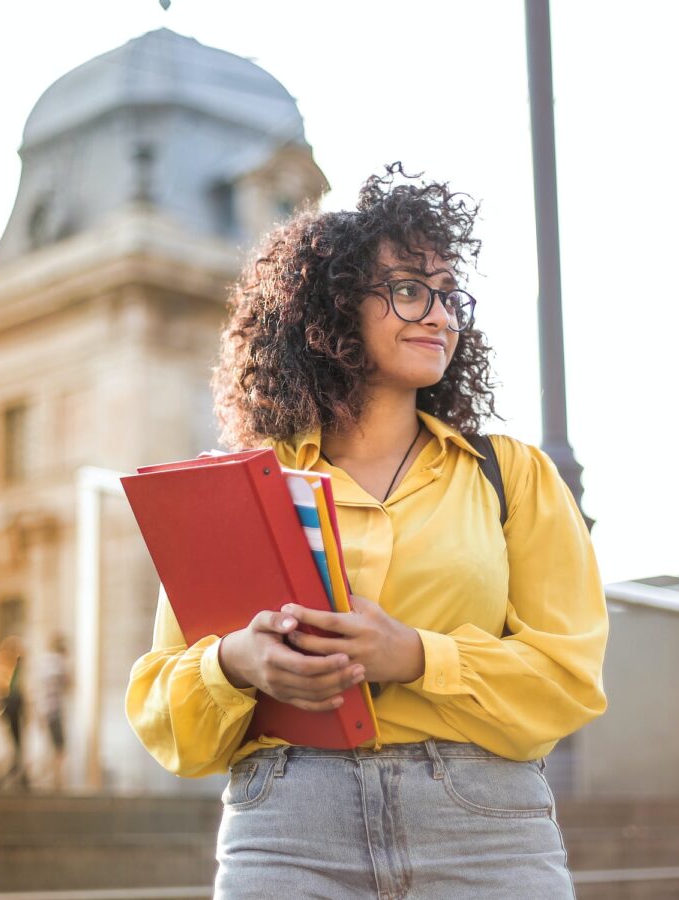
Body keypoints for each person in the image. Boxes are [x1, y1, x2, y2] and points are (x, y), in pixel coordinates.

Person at [126, 164, 608, 899]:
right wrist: (234, 664)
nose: (441, 314)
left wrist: (416, 655)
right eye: (410, 289)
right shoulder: (243, 487)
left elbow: (569, 679)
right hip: (287, 825)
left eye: (450, 296)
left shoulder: (512, 475)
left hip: (483, 825)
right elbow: (166, 711)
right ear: (331, 308)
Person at [0, 635, 29, 790]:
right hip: (9, 708)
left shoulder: (17, 669)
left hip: (15, 709)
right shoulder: (4, 668)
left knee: (17, 742)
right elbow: (0, 690)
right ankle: (16, 772)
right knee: (14, 742)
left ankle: (19, 772)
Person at [36, 633, 70, 791]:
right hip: (54, 710)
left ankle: (52, 779)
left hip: (44, 709)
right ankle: (56, 781)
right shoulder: (57, 662)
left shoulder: (44, 662)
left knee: (51, 746)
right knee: (59, 748)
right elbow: (67, 682)